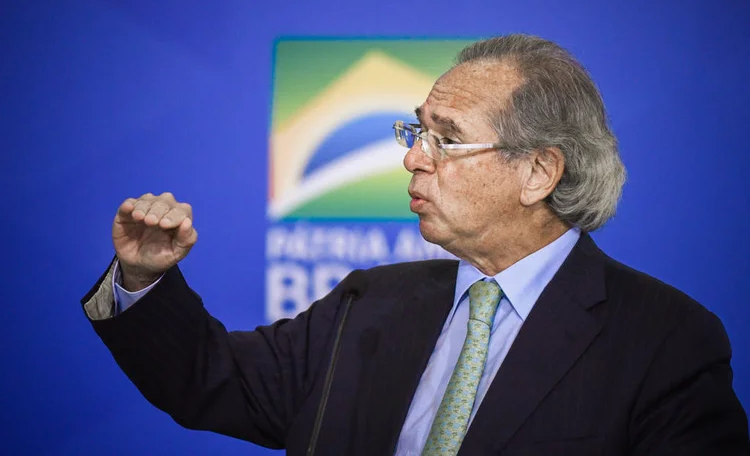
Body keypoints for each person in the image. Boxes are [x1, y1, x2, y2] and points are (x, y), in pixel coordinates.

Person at [82, 34, 749, 455]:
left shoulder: (667, 342)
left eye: (447, 139)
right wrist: (141, 280)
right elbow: (212, 382)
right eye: (417, 131)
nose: (413, 161)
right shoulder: (368, 303)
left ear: (539, 172)